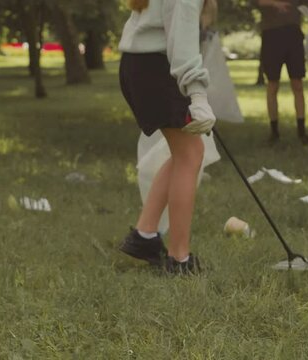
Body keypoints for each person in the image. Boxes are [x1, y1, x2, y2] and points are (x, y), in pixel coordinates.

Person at [117, 0, 216, 274]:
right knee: (192, 153)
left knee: (184, 152)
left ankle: (144, 236)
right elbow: (182, 41)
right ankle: (179, 259)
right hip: (156, 68)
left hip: (140, 65)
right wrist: (197, 94)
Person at [251, 0, 308, 145]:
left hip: (293, 35)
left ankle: (302, 132)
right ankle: (274, 132)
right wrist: (274, 4)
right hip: (271, 35)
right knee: (273, 84)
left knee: (297, 85)